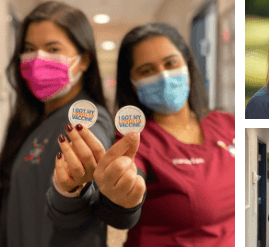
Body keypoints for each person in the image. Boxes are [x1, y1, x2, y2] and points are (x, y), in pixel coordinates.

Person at [51, 23, 235, 246]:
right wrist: (120, 197)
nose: (164, 76)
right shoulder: (133, 138)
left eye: (170, 63)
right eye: (147, 70)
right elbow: (121, 208)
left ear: (186, 62)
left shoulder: (226, 123)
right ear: (132, 82)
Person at [0, 1, 115, 246]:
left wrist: (81, 176)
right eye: (29, 48)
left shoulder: (86, 119)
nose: (38, 60)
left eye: (53, 48)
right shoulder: (30, 121)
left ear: (84, 60)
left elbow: (91, 152)